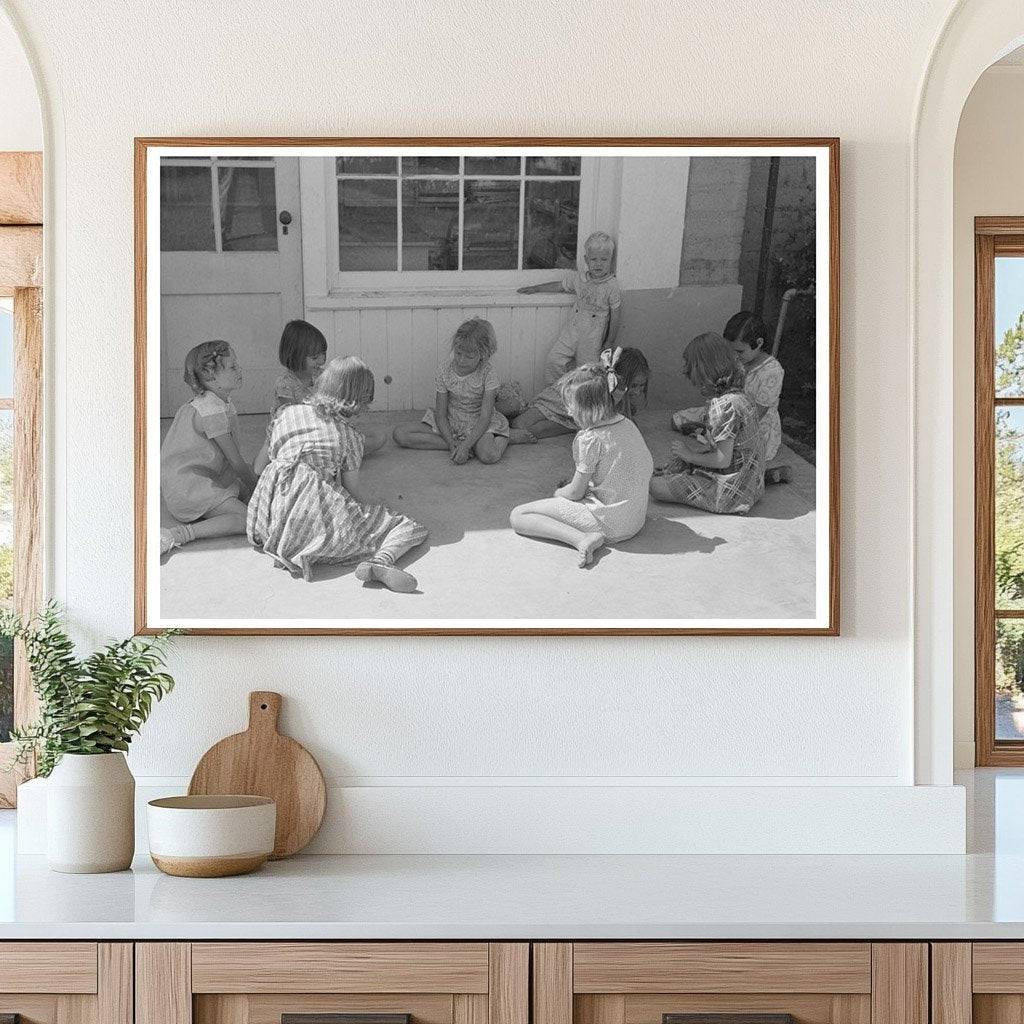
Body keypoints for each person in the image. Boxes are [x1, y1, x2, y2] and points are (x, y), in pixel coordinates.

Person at [247, 356, 428, 591]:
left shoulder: (285, 413)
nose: (365, 409)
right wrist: (380, 507)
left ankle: (296, 537)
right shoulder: (348, 436)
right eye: (365, 402)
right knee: (407, 526)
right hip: (310, 519)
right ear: (356, 400)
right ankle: (380, 560)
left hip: (269, 520)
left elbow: (259, 467)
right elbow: (354, 492)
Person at [509, 356, 654, 567]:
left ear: (588, 408)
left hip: (612, 524)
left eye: (570, 406)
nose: (568, 412)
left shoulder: (590, 438)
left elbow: (575, 493)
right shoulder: (628, 425)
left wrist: (560, 493)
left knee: (519, 515)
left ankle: (581, 539)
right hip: (636, 519)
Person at [160, 340, 256, 555]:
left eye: (237, 365)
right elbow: (236, 461)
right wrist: (256, 486)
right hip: (189, 486)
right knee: (248, 520)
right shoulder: (211, 411)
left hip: (200, 477)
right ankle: (179, 534)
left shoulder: (218, 402)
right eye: (232, 367)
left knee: (249, 481)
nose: (240, 370)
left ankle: (221, 506)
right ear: (210, 376)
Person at [652, 332, 766, 514]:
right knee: (679, 463)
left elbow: (722, 459)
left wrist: (688, 456)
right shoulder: (741, 397)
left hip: (729, 494)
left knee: (656, 486)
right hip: (752, 482)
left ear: (704, 372)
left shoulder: (724, 405)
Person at [392, 317, 528, 464]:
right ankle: (466, 446)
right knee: (400, 434)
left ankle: (505, 436)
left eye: (469, 356)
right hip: (451, 420)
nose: (461, 360)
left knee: (489, 455)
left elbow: (485, 417)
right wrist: (452, 444)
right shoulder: (444, 371)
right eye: (458, 353)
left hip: (478, 423)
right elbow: (441, 415)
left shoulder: (488, 374)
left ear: (484, 355)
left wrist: (466, 444)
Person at [672, 310, 789, 479]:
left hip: (752, 426)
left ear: (759, 343)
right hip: (727, 414)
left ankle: (764, 476)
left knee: (729, 458)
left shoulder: (772, 371)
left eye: (740, 351)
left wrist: (720, 432)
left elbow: (757, 414)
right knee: (677, 420)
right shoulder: (737, 363)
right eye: (731, 351)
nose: (735, 356)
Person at [518, 231, 622, 385]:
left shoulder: (611, 286)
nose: (598, 264)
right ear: (586, 260)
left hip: (593, 336)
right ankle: (557, 393)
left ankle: (581, 402)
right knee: (554, 360)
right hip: (572, 329)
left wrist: (609, 342)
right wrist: (536, 288)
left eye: (604, 260)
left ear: (611, 260)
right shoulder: (580, 279)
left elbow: (616, 315)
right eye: (594, 259)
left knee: (587, 372)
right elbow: (560, 286)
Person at [512, 346, 649, 439]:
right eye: (634, 385)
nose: (637, 391)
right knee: (519, 425)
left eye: (641, 386)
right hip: (556, 403)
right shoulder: (595, 380)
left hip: (577, 415)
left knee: (536, 430)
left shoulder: (618, 392)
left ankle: (574, 424)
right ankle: (575, 424)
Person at [274, 319, 327, 410]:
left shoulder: (323, 376)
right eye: (314, 357)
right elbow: (292, 416)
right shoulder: (285, 384)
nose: (321, 361)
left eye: (324, 354)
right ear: (295, 356)